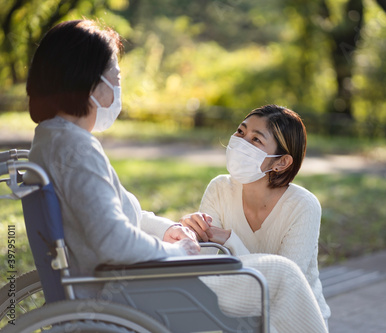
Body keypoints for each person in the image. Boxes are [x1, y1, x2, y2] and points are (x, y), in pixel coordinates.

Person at [26, 19, 328, 333]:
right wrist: (176, 252)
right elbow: (113, 241)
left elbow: (116, 219)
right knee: (282, 275)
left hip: (133, 276)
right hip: (133, 286)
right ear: (90, 81)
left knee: (276, 273)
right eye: (115, 76)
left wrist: (169, 229)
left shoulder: (55, 141)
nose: (118, 86)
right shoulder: (75, 150)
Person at [181, 105, 331, 326]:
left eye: (256, 140)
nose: (241, 142)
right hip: (236, 315)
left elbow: (284, 284)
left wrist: (230, 240)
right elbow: (210, 266)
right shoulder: (219, 188)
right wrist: (191, 233)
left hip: (294, 319)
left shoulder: (303, 206)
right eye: (241, 132)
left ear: (281, 162)